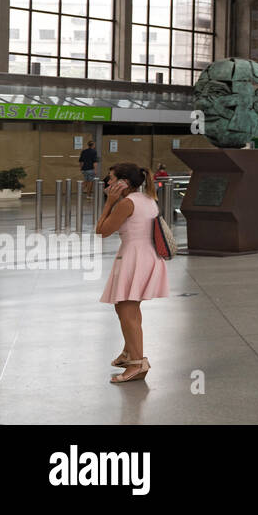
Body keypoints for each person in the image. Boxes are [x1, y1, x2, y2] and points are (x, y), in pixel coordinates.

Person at [96, 162, 169, 384]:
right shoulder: (147, 199)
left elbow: (102, 231)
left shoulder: (126, 203)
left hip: (133, 258)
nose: (106, 182)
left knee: (127, 311)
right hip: (146, 256)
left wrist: (109, 203)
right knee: (127, 307)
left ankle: (138, 363)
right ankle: (130, 353)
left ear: (123, 183)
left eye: (110, 178)